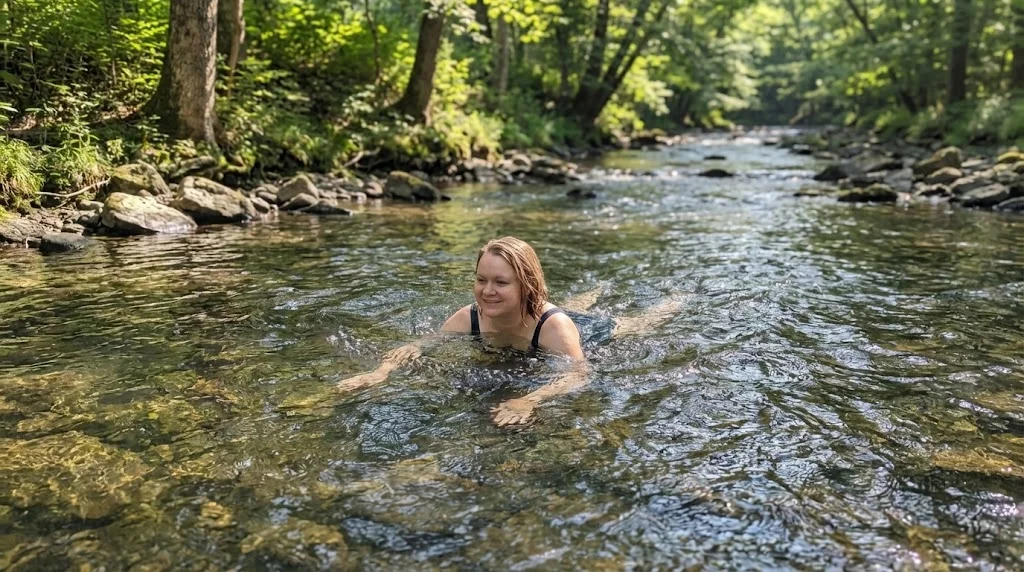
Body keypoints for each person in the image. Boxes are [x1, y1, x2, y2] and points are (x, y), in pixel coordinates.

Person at [337, 236, 588, 427]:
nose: (487, 291)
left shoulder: (553, 326)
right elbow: (417, 347)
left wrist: (529, 400)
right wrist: (381, 372)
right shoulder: (469, 317)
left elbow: (577, 376)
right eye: (481, 280)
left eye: (500, 282)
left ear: (527, 285)